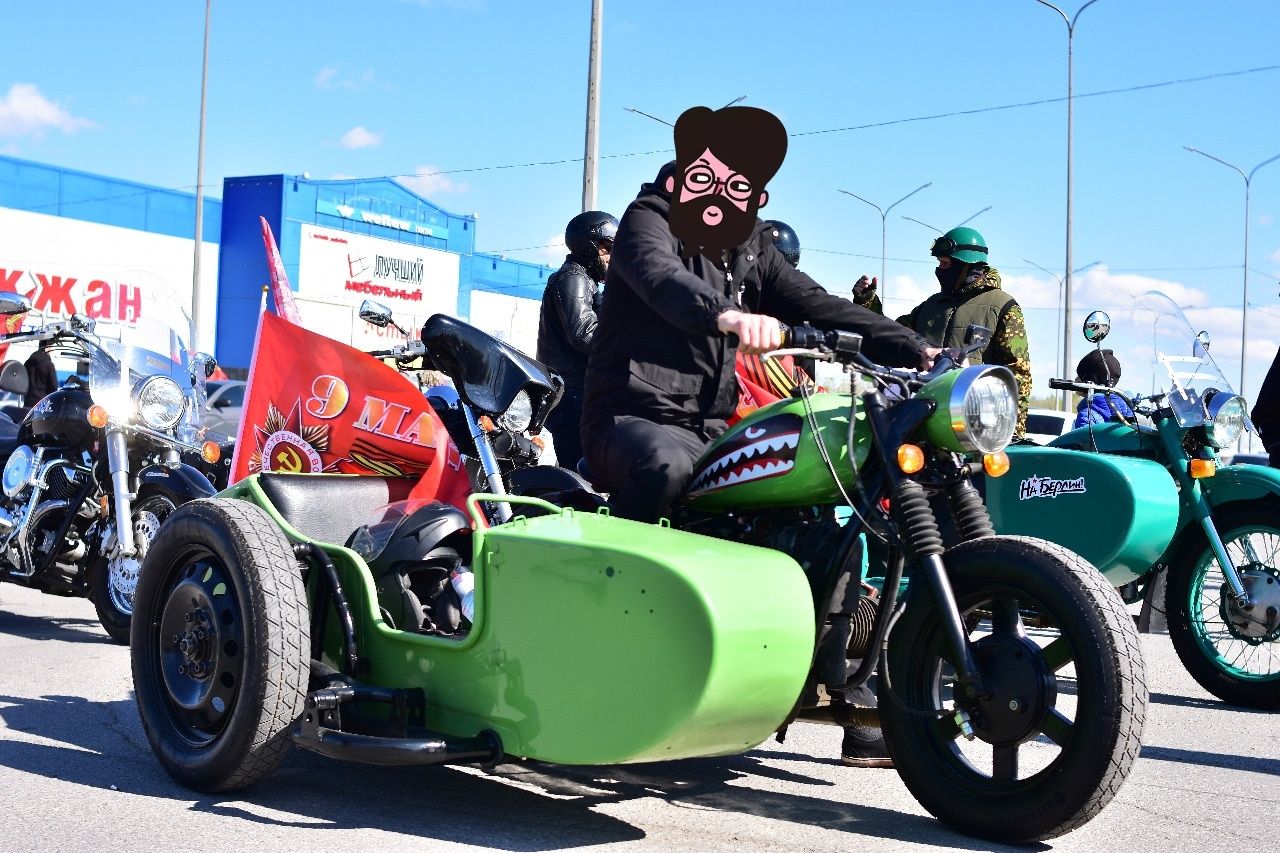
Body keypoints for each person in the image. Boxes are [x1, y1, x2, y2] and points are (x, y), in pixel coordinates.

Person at [581, 106, 938, 769]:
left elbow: (817, 301)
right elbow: (661, 279)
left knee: (812, 502)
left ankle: (835, 679)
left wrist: (914, 346)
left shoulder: (750, 246)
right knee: (668, 468)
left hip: (713, 426)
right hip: (632, 416)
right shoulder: (647, 220)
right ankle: (605, 624)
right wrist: (727, 315)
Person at [852, 226, 1032, 437]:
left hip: (973, 419)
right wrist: (867, 303)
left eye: (946, 264)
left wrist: (1012, 431)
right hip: (923, 412)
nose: (940, 270)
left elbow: (1018, 373)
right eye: (939, 264)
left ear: (966, 265)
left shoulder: (1002, 306)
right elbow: (894, 337)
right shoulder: (931, 306)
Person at [536, 209, 618, 468]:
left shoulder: (587, 280)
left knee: (588, 469)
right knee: (579, 474)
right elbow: (584, 333)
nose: (610, 256)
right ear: (588, 245)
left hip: (576, 392)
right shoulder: (573, 277)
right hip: (571, 394)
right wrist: (627, 343)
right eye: (606, 247)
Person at [1073, 348, 1134, 428]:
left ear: (1089, 381)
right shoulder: (1129, 413)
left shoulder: (1086, 415)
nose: (1075, 380)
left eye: (1080, 376)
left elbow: (1083, 440)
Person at [23, 339, 57, 408]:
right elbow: (54, 386)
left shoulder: (27, 363)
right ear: (47, 348)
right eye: (51, 348)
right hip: (41, 405)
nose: (52, 351)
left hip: (27, 403)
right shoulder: (48, 365)